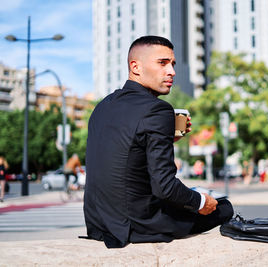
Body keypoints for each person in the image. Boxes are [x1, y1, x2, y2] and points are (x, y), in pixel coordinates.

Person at [84, 36, 233, 248]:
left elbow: (121, 156)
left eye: (172, 64)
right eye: (162, 63)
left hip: (99, 223)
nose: (171, 71)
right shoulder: (158, 109)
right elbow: (165, 187)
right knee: (223, 206)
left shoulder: (103, 106)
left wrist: (167, 138)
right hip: (137, 225)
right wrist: (201, 202)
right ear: (135, 66)